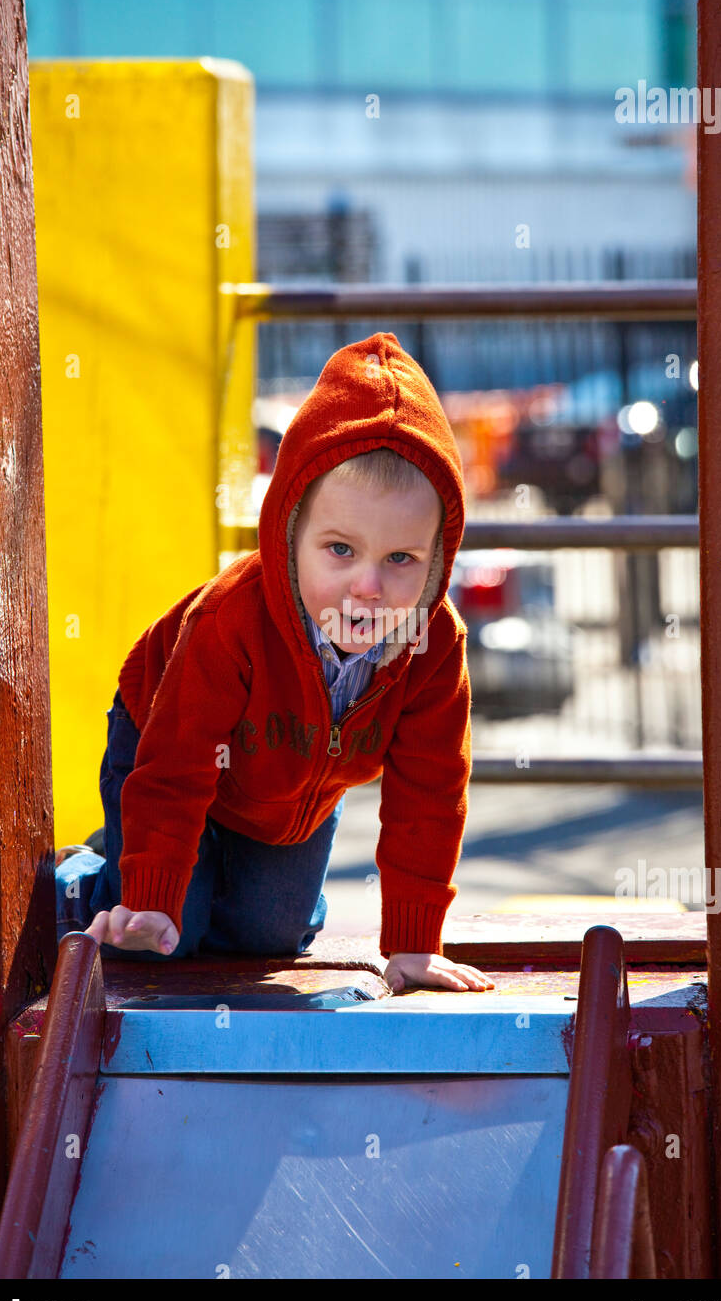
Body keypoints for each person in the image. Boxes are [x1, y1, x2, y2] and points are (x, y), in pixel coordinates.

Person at [55, 331, 492, 994]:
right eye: (340, 550)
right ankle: (90, 876)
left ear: (438, 557)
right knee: (168, 938)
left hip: (287, 792)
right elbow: (176, 767)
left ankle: (212, 878)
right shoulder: (231, 621)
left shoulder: (433, 646)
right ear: (291, 536)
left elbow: (429, 794)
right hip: (166, 743)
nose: (367, 587)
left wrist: (413, 943)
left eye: (400, 559)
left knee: (267, 939)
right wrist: (148, 895)